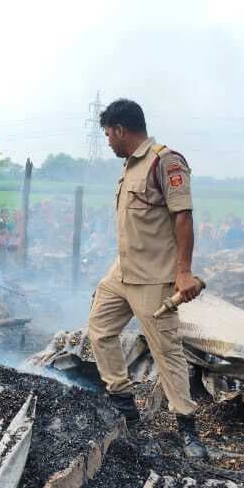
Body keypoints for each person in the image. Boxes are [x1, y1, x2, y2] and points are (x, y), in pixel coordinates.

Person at [85, 98, 205, 458]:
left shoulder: (165, 162)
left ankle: (187, 429)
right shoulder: (129, 168)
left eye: (108, 133)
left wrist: (183, 271)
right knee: (100, 329)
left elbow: (183, 217)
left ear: (122, 130)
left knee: (166, 352)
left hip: (154, 278)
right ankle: (124, 407)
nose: (107, 141)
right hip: (122, 271)